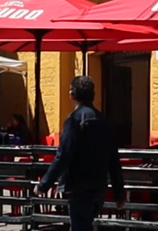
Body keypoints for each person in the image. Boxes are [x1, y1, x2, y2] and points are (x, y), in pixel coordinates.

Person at [35, 76, 125, 231]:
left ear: (72, 95)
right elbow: (113, 159)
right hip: (99, 186)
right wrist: (118, 192)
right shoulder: (103, 121)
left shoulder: (74, 120)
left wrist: (44, 184)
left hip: (79, 186)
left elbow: (63, 155)